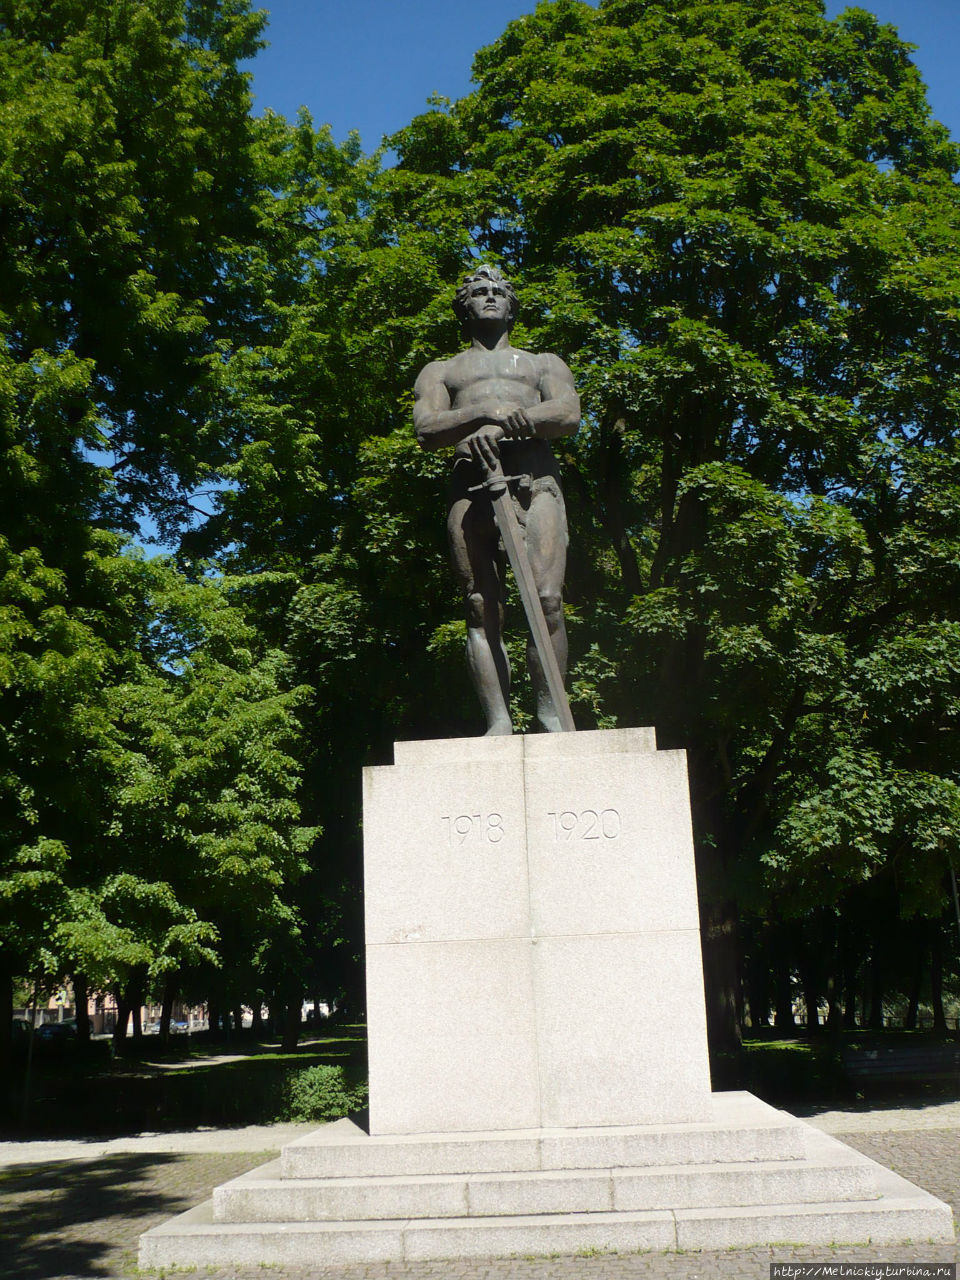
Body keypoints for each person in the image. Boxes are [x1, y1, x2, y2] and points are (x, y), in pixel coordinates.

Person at [413, 264, 580, 734]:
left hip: (534, 483)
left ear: (511, 307)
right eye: (479, 292)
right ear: (464, 306)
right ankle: (499, 721)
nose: (489, 297)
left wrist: (508, 422)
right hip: (470, 489)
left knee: (546, 600)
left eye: (498, 292)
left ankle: (550, 713)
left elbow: (568, 414)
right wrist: (484, 411)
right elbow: (426, 428)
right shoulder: (441, 370)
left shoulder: (542, 363)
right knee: (481, 606)